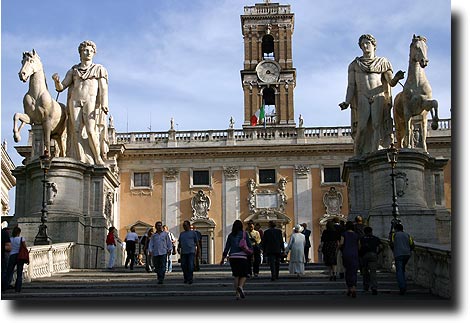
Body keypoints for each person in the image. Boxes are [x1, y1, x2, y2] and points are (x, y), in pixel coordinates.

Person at [339, 34, 405, 156]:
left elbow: (390, 82)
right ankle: (357, 153)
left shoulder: (383, 62)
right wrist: (347, 101)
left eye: (367, 43)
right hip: (363, 96)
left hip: (378, 95)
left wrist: (397, 77)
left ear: (374, 45)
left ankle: (375, 153)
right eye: (362, 44)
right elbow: (351, 86)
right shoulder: (355, 64)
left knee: (376, 125)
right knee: (362, 127)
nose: (365, 46)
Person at [52, 40, 109, 165]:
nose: (88, 52)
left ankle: (97, 158)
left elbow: (103, 88)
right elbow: (61, 87)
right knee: (75, 131)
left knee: (90, 130)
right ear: (80, 53)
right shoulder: (74, 70)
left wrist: (104, 103)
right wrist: (56, 81)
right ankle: (81, 158)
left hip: (90, 101)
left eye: (90, 50)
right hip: (75, 101)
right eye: (85, 50)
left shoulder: (99, 69)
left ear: (94, 53)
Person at [220, 219, 252, 300]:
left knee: (236, 275)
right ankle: (240, 287)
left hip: (233, 257)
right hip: (242, 257)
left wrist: (223, 258)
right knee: (244, 274)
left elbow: (227, 247)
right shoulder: (244, 234)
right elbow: (249, 245)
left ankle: (237, 294)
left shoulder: (231, 235)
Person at [390, 222, 415, 295]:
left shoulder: (394, 235)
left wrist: (394, 250)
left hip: (398, 254)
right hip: (407, 254)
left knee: (399, 271)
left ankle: (402, 286)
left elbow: (391, 244)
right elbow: (412, 245)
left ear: (396, 229)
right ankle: (404, 282)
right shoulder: (407, 235)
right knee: (402, 269)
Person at [339, 221, 360, 297]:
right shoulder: (356, 235)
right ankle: (354, 288)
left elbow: (341, 243)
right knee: (354, 272)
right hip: (354, 254)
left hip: (346, 253)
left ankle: (349, 288)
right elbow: (359, 246)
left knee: (347, 271)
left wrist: (338, 249)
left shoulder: (344, 234)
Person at [359, 226, 382, 295]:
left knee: (365, 272)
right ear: (371, 231)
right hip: (373, 255)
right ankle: (374, 287)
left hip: (365, 255)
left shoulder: (362, 239)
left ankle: (366, 287)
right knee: (373, 272)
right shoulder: (376, 238)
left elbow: (359, 247)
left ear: (364, 232)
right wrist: (377, 253)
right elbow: (381, 246)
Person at [4, 226, 27, 293]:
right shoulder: (21, 239)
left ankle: (4, 287)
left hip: (12, 256)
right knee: (19, 273)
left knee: (9, 272)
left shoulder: (10, 239)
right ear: (19, 232)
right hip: (20, 256)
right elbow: (24, 247)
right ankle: (17, 289)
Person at [1, 222, 12, 290]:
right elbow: (8, 248)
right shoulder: (4, 233)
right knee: (4, 271)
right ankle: (4, 286)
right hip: (3, 256)